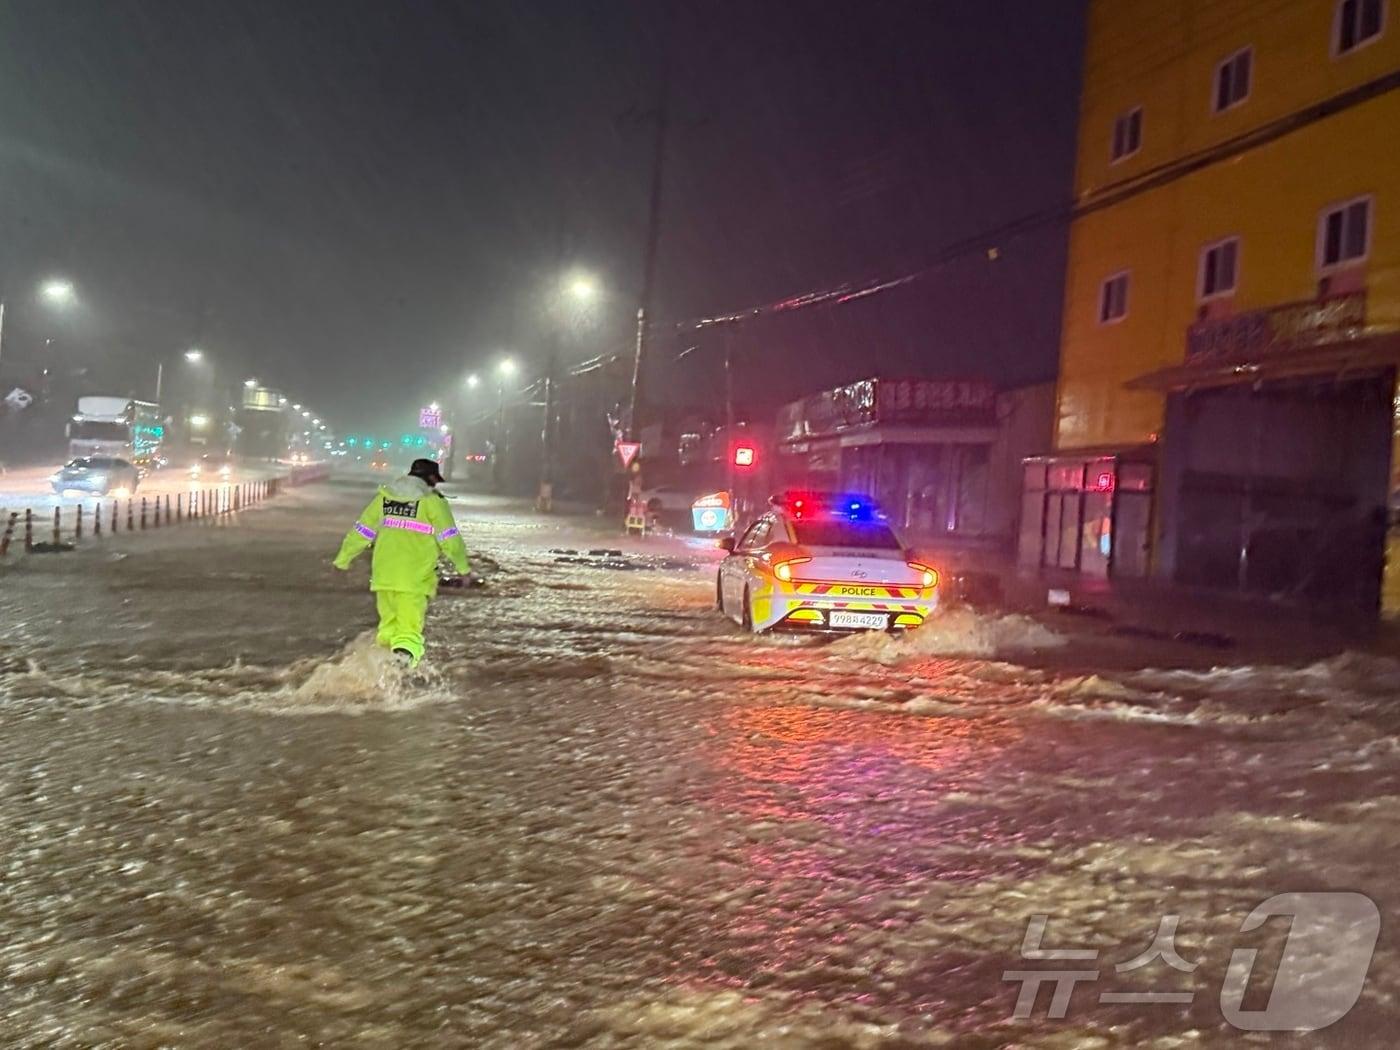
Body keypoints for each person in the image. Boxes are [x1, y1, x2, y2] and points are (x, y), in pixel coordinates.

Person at [333, 457, 470, 666]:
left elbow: (361, 532)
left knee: (388, 630)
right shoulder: (433, 503)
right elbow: (450, 539)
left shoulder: (384, 498)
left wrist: (342, 560)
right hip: (414, 579)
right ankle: (401, 678)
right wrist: (463, 569)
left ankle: (379, 677)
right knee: (408, 633)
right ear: (431, 478)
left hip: (383, 577)